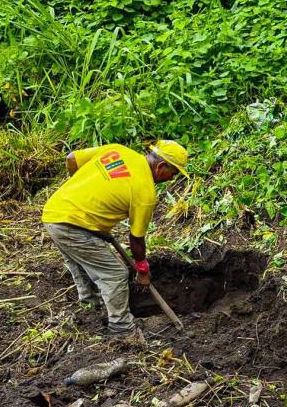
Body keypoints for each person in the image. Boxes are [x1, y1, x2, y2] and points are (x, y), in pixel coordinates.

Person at [42, 140, 189, 339]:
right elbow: (136, 239)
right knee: (115, 273)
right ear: (161, 166)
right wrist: (142, 271)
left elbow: (72, 159)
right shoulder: (145, 191)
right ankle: (122, 328)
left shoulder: (118, 150)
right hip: (73, 226)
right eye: (173, 173)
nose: (172, 178)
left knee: (80, 261)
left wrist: (79, 190)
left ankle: (90, 307)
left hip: (54, 212)